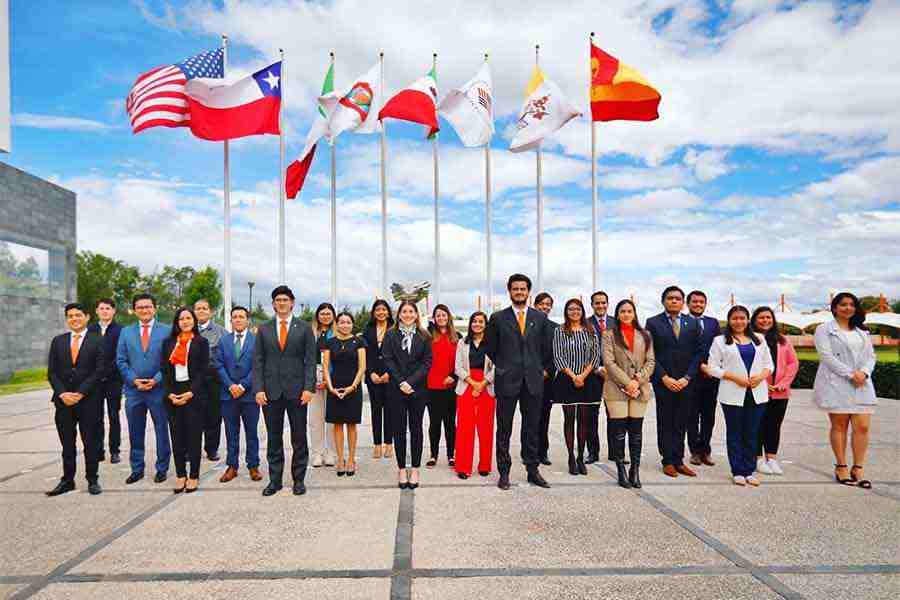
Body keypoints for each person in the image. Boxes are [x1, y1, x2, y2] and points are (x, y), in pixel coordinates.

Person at [485, 273, 554, 490]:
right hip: (507, 380)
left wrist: (539, 368)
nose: (519, 292)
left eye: (523, 289)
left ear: (528, 292)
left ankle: (532, 469)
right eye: (515, 289)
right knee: (504, 428)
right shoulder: (498, 318)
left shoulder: (540, 318)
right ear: (509, 291)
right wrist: (505, 365)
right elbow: (490, 347)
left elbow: (547, 349)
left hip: (533, 382)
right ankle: (504, 472)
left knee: (531, 427)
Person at [253, 285, 318, 497]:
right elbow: (258, 361)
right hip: (270, 392)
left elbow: (310, 361)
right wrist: (258, 389)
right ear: (273, 304)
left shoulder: (305, 328)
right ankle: (275, 480)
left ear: (292, 302)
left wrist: (309, 388)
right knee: (273, 437)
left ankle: (298, 479)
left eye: (285, 300)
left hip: (298, 392)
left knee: (299, 437)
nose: (281, 303)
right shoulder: (263, 329)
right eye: (277, 300)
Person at [812, 292, 877, 489]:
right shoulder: (824, 329)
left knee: (863, 426)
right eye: (843, 304)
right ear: (834, 308)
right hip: (837, 382)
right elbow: (826, 356)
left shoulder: (862, 331)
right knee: (840, 425)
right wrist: (851, 374)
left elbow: (871, 356)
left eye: (851, 304)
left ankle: (858, 468)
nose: (847, 308)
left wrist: (864, 373)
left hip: (861, 383)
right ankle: (841, 466)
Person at [703, 305, 773, 486]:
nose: (739, 321)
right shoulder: (720, 341)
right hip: (732, 393)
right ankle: (738, 471)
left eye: (742, 318)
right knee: (735, 432)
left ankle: (749, 470)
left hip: (757, 392)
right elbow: (712, 367)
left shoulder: (759, 339)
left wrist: (760, 377)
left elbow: (768, 364)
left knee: (751, 432)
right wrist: (735, 378)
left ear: (748, 320)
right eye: (735, 318)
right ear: (729, 320)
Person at [46, 303, 105, 496]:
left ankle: (92, 479)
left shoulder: (98, 341)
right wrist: (63, 393)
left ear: (87, 317)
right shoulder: (58, 341)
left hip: (88, 401)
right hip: (63, 402)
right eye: (70, 316)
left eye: (78, 315)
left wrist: (80, 393)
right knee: (67, 444)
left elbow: (99, 371)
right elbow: (52, 372)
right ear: (66, 319)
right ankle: (67, 480)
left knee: (90, 442)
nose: (74, 319)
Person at [645, 286, 703, 478]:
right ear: (663, 301)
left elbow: (698, 353)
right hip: (664, 382)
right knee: (666, 421)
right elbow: (650, 353)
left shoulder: (692, 323)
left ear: (683, 302)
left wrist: (687, 378)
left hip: (686, 382)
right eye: (670, 298)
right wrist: (664, 377)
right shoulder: (653, 323)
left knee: (682, 421)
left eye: (678, 298)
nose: (674, 301)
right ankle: (668, 460)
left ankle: (679, 460)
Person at [116, 293, 172, 484]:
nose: (144, 310)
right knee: (135, 431)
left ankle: (162, 467)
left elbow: (171, 361)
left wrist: (156, 380)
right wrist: (134, 380)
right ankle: (137, 468)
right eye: (140, 307)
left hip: (159, 390)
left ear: (154, 308)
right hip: (134, 391)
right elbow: (121, 360)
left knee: (161, 430)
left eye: (148, 306)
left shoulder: (167, 331)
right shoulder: (126, 332)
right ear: (134, 310)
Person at [602, 299, 656, 489]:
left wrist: (637, 381)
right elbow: (608, 362)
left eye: (629, 311)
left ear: (634, 313)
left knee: (636, 432)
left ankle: (635, 469)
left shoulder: (645, 335)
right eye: (622, 311)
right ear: (617, 314)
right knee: (618, 432)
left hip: (640, 388)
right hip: (616, 388)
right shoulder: (609, 334)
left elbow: (651, 362)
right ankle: (621, 470)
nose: (626, 314)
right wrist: (627, 382)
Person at [383, 300, 432, 489]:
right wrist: (401, 381)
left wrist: (410, 382)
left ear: (416, 314)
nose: (408, 314)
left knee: (416, 429)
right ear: (399, 314)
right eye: (404, 311)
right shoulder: (391, 335)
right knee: (399, 430)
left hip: (418, 390)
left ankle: (416, 468)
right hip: (396, 389)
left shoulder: (425, 336)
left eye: (411, 311)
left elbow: (427, 363)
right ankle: (402, 468)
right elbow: (387, 359)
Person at [160, 307, 210, 493]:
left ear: (194, 321)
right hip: (173, 394)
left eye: (189, 318)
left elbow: (203, 370)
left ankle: (194, 476)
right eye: (181, 319)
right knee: (177, 437)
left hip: (194, 394)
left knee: (194, 437)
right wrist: (170, 393)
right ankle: (181, 475)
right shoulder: (168, 343)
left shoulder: (201, 342)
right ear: (176, 322)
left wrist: (191, 392)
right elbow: (164, 370)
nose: (185, 321)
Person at [552, 298, 602, 477]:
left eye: (578, 309)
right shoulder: (559, 330)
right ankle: (571, 457)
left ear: (582, 311)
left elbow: (596, 356)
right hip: (567, 379)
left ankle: (581, 456)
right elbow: (558, 356)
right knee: (569, 418)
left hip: (587, 379)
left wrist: (583, 375)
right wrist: (574, 376)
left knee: (584, 420)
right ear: (566, 311)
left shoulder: (590, 330)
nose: (574, 312)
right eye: (571, 309)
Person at [215, 306, 261, 483]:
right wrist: (230, 385)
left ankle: (253, 466)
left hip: (249, 395)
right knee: (231, 432)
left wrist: (243, 385)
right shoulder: (224, 341)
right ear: (231, 320)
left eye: (241, 316)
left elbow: (258, 366)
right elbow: (218, 365)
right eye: (235, 317)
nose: (238, 319)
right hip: (228, 395)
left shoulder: (256, 341)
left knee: (251, 432)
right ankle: (232, 466)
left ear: (247, 320)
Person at [751, 306, 799, 476]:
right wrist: (762, 382)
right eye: (761, 317)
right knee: (757, 424)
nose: (765, 320)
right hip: (757, 389)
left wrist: (784, 383)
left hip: (780, 392)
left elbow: (793, 363)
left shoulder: (783, 340)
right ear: (754, 320)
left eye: (768, 317)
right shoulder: (751, 339)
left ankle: (771, 458)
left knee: (774, 425)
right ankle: (757, 459)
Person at [323, 312, 367, 476]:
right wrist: (330, 386)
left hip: (353, 387)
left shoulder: (359, 342)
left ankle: (350, 460)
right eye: (341, 322)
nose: (345, 325)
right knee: (337, 424)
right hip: (334, 387)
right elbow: (326, 367)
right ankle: (340, 459)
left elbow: (362, 367)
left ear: (352, 324)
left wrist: (353, 386)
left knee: (351, 424)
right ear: (337, 324)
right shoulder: (330, 342)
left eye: (348, 322)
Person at [454, 311, 496, 479]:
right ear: (470, 324)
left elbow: (497, 366)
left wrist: (483, 383)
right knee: (465, 428)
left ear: (485, 324)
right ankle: (463, 467)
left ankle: (485, 465)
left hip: (487, 386)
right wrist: (473, 383)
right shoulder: (462, 343)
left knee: (486, 428)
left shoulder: (492, 343)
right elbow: (458, 367)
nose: (477, 324)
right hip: (466, 386)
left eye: (480, 321)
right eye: (474, 321)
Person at [685, 290, 722, 467]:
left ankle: (705, 450)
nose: (698, 304)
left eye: (701, 302)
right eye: (695, 302)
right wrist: (698, 367)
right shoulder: (682, 322)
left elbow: (719, 348)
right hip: (690, 377)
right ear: (688, 303)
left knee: (709, 416)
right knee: (691, 416)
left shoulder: (713, 323)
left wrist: (712, 368)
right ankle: (694, 452)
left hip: (710, 378)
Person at [87, 298, 123, 464]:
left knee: (114, 415)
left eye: (108, 308)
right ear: (96, 311)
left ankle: (114, 450)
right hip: (95, 381)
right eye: (101, 308)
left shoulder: (121, 330)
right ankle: (98, 449)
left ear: (113, 311)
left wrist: (105, 371)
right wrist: (96, 374)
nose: (104, 311)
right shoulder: (90, 329)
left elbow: (120, 356)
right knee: (96, 417)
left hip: (113, 380)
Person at [425, 304, 459, 468]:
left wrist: (453, 376)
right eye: (438, 315)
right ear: (434, 318)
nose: (441, 318)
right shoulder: (428, 336)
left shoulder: (457, 337)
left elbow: (461, 362)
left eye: (443, 315)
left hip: (450, 386)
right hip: (432, 386)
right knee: (434, 423)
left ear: (448, 317)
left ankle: (451, 455)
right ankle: (433, 454)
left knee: (450, 422)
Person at [194, 299, 227, 462]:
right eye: (198, 308)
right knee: (193, 417)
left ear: (210, 312)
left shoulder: (221, 332)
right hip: (191, 381)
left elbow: (226, 356)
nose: (201, 311)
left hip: (213, 380)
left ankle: (211, 449)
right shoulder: (187, 330)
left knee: (213, 416)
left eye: (204, 308)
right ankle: (192, 449)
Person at [586, 291, 616, 464]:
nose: (600, 306)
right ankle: (593, 452)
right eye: (597, 303)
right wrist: (596, 368)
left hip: (613, 377)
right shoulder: (585, 323)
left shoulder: (615, 322)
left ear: (607, 304)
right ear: (592, 305)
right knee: (592, 416)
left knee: (614, 416)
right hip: (593, 376)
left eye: (603, 303)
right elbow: (583, 350)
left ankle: (615, 452)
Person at [362, 300, 394, 459]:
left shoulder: (395, 329)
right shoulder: (367, 330)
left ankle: (389, 444)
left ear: (388, 312)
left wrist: (390, 373)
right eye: (378, 310)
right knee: (376, 411)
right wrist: (371, 373)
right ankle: (377, 444)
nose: (381, 312)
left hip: (391, 377)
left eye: (384, 309)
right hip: (373, 376)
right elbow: (365, 355)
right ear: (374, 313)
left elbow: (398, 355)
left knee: (390, 411)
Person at [310, 303, 338, 468]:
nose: (326, 316)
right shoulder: (310, 333)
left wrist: (329, 379)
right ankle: (317, 453)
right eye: (323, 313)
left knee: (332, 419)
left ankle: (331, 452)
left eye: (329, 313)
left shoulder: (337, 333)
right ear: (317, 315)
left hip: (333, 381)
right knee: (315, 419)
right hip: (313, 381)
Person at [531, 292, 556, 466]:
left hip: (547, 379)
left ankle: (542, 452)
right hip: (528, 377)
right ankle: (530, 452)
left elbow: (557, 353)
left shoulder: (555, 328)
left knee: (544, 417)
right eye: (542, 304)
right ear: (535, 304)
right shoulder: (527, 324)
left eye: (548, 304)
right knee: (530, 418)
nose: (545, 307)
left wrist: (548, 370)